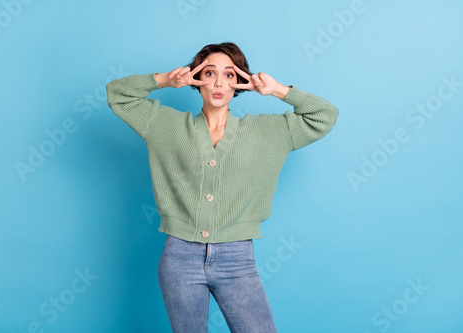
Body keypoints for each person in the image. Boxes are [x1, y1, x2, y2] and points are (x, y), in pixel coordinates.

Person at [106, 42, 339, 333]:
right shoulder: (164, 125)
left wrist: (277, 89)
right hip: (179, 257)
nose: (218, 82)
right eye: (209, 73)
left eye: (229, 75)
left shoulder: (269, 131)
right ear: (196, 78)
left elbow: (325, 115)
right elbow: (118, 95)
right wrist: (166, 79)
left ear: (240, 82)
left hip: (237, 259)